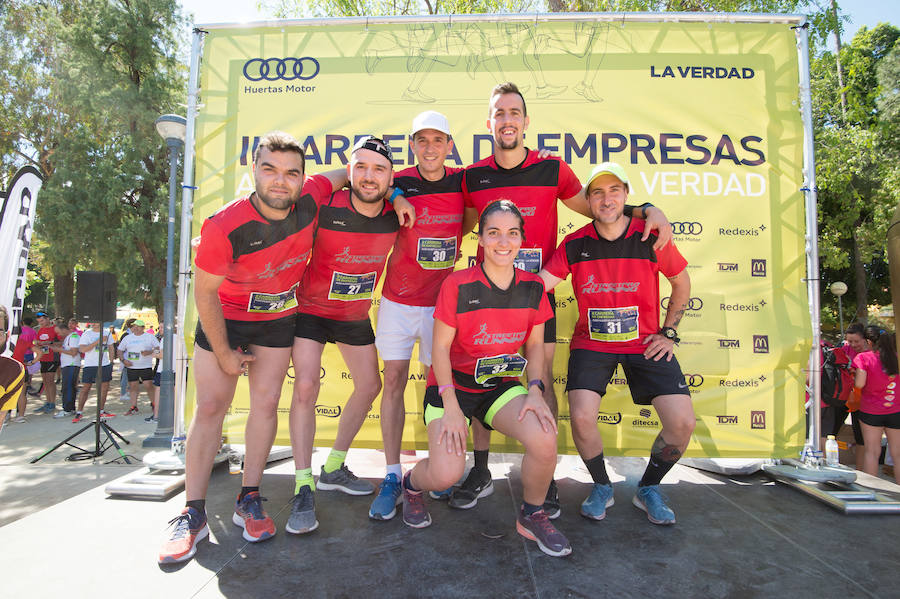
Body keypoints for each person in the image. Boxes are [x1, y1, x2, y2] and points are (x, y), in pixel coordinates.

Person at [157, 131, 412, 564]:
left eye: (291, 172)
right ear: (253, 170)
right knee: (212, 408)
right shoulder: (224, 224)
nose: (281, 181)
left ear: (302, 178)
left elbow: (346, 175)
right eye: (270, 170)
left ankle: (250, 496)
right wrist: (223, 353)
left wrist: (401, 190)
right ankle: (193, 512)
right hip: (228, 317)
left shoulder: (312, 197)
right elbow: (204, 296)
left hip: (278, 318)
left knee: (266, 403)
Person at [455, 81, 672, 517]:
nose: (508, 120)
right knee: (479, 376)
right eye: (500, 113)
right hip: (485, 298)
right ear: (489, 123)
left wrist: (647, 208)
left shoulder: (553, 168)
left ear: (526, 121)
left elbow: (602, 209)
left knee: (542, 381)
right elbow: (454, 225)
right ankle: (479, 469)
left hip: (536, 295)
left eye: (514, 112)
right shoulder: (473, 176)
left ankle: (546, 473)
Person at [400, 200, 571, 557]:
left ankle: (532, 513)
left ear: (522, 239)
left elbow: (536, 345)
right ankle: (412, 486)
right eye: (494, 233)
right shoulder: (458, 284)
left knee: (545, 437)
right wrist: (449, 406)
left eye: (512, 233)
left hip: (500, 386)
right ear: (481, 238)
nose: (503, 241)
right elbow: (441, 350)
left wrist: (537, 390)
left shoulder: (533, 288)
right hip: (453, 388)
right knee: (446, 474)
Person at [539, 162, 694, 525]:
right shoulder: (575, 243)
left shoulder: (650, 235)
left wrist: (668, 332)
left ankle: (649, 487)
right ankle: (602, 485)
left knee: (682, 423)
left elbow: (682, 284)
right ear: (589, 200)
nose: (606, 200)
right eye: (597, 192)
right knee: (580, 416)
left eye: (614, 192)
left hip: (645, 343)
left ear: (626, 196)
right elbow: (542, 282)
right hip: (592, 343)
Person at [288, 136, 410, 534]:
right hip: (310, 310)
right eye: (361, 167)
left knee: (370, 385)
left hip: (353, 314)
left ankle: (334, 466)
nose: (369, 176)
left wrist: (398, 195)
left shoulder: (397, 215)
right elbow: (321, 181)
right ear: (349, 170)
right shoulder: (325, 202)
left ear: (391, 176)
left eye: (379, 169)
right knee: (306, 387)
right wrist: (380, 184)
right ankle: (303, 484)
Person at [852, 327, 900, 483]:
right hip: (896, 410)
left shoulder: (863, 358)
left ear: (869, 342)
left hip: (871, 411)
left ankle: (873, 492)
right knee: (897, 453)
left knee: (872, 452)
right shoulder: (896, 358)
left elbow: (859, 384)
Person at [73, 321, 116, 422]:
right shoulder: (87, 333)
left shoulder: (107, 332)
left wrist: (111, 362)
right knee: (86, 388)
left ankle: (101, 411)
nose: (95, 323)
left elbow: (111, 348)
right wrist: (98, 341)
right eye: (94, 321)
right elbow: (83, 349)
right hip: (90, 364)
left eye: (98, 321)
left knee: (104, 388)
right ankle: (79, 412)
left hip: (104, 364)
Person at [116, 319, 160, 415]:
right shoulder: (128, 338)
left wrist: (150, 352)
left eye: (138, 326)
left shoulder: (150, 337)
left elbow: (158, 349)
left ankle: (154, 403)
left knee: (148, 385)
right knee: (133, 386)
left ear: (143, 327)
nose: (135, 328)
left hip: (146, 366)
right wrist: (123, 361)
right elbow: (119, 350)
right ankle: (133, 406)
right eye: (134, 326)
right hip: (131, 367)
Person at [32, 311, 61, 414]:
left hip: (53, 358)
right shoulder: (40, 330)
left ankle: (52, 403)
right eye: (39, 322)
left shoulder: (55, 329)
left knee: (50, 380)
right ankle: (48, 402)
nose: (41, 323)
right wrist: (38, 344)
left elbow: (62, 342)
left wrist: (51, 343)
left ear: (48, 319)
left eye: (42, 321)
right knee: (45, 381)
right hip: (43, 358)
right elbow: (37, 342)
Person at [53, 320, 81, 418]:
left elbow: (74, 352)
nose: (58, 334)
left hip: (71, 365)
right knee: (69, 387)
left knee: (67, 387)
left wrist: (59, 350)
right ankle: (71, 408)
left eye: (58, 332)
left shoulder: (73, 337)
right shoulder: (68, 338)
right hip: (68, 365)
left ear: (64, 329)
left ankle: (67, 409)